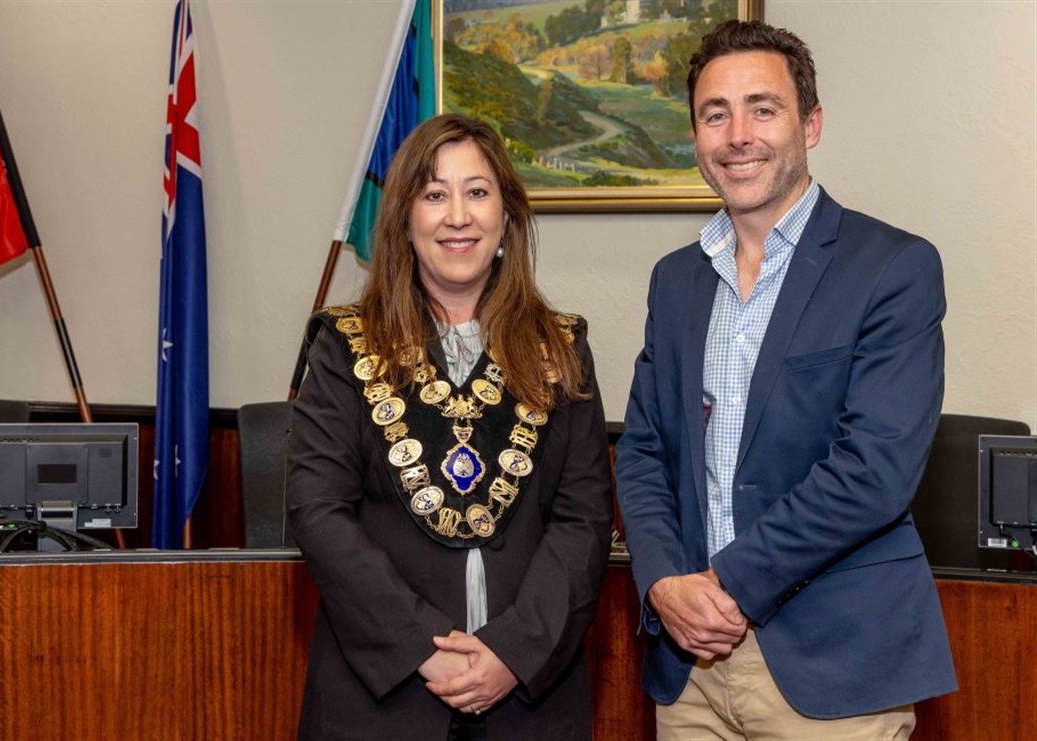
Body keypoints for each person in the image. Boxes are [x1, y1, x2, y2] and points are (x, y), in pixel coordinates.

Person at [615, 19, 957, 740]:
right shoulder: (674, 281)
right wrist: (664, 581)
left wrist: (727, 582)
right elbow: (643, 450)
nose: (738, 134)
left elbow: (874, 472)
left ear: (811, 122)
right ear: (696, 136)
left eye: (762, 108)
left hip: (833, 671)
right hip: (689, 672)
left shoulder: (893, 268)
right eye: (716, 114)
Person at [287, 113, 614, 741]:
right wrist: (423, 649)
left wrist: (511, 653)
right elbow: (317, 511)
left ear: (507, 217)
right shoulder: (343, 346)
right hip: (382, 700)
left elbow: (584, 521)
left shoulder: (562, 348)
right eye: (434, 194)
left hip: (530, 699)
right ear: (405, 221)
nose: (457, 216)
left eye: (477, 192)